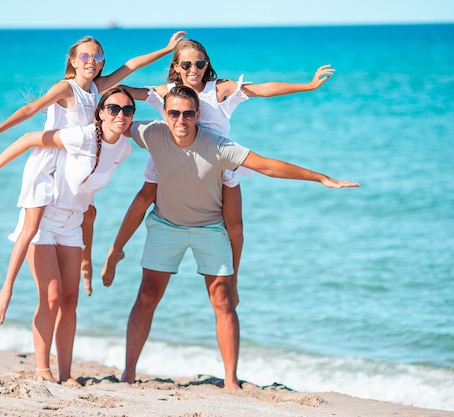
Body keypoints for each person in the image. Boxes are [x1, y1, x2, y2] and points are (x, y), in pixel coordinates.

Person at [120, 86, 359, 390]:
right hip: (167, 225)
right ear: (165, 114)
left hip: (210, 226)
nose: (181, 119)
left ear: (198, 115)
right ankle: (128, 374)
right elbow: (113, 119)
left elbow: (268, 166)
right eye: (174, 113)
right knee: (147, 295)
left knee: (222, 298)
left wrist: (322, 178)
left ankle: (231, 380)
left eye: (188, 113)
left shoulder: (219, 146)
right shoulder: (151, 133)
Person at [0, 31, 185, 326]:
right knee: (31, 225)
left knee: (89, 213)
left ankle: (85, 262)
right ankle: (5, 290)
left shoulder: (98, 88)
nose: (92, 61)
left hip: (81, 163)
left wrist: (167, 49)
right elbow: (32, 109)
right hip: (49, 161)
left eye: (97, 57)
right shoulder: (66, 88)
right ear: (73, 61)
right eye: (85, 56)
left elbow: (131, 65)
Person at [102, 38, 334, 305]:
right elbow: (117, 90)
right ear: (176, 66)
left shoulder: (219, 89)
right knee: (142, 200)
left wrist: (308, 85)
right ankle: (115, 251)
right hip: (171, 158)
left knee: (235, 226)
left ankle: (232, 280)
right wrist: (90, 86)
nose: (193, 69)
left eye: (200, 63)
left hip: (218, 162)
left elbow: (264, 89)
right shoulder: (168, 92)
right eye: (186, 64)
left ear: (206, 65)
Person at [0, 87, 137, 384]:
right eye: (113, 108)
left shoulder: (124, 148)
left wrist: (88, 261)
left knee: (70, 301)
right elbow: (31, 138)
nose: (120, 115)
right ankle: (42, 370)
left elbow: (91, 205)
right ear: (100, 112)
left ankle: (66, 374)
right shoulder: (81, 136)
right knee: (52, 295)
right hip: (45, 219)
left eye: (127, 110)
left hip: (73, 223)